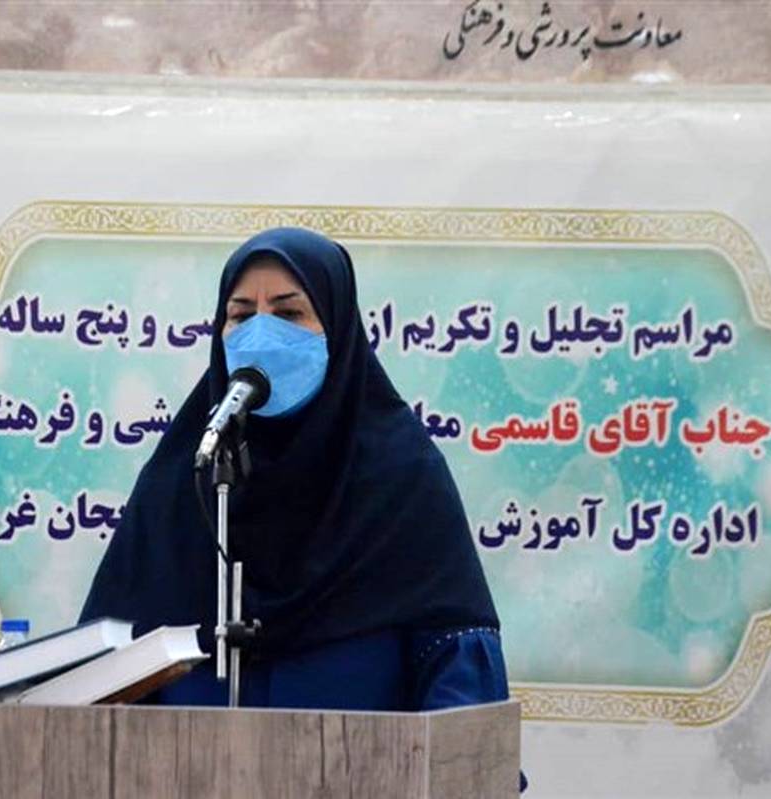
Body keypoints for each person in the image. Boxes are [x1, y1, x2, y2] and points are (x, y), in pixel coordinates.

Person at [79, 227, 507, 710]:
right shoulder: (187, 475)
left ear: (338, 329)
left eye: (288, 313)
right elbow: (103, 680)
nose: (261, 334)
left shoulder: (402, 475)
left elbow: (459, 683)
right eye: (241, 315)